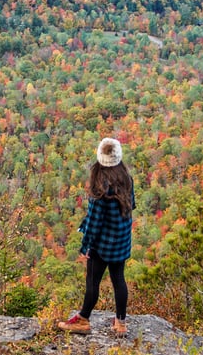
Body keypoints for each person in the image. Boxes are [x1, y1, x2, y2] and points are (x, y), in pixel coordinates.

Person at [58, 137, 135, 336]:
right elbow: (131, 206)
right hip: (121, 240)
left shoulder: (100, 187)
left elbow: (94, 222)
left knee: (93, 281)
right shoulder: (126, 178)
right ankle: (121, 323)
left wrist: (86, 247)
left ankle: (83, 320)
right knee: (119, 279)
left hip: (102, 244)